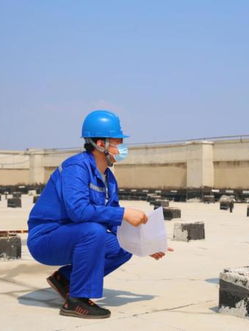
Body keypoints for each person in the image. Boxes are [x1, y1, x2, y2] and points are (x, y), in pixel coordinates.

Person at [27, 110, 171, 319]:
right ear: (100, 143)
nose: (122, 148)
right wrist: (123, 213)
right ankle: (77, 300)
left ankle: (65, 279)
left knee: (122, 246)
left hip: (75, 234)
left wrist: (146, 243)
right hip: (46, 239)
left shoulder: (109, 179)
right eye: (117, 142)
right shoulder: (76, 167)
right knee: (93, 231)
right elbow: (78, 211)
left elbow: (113, 225)